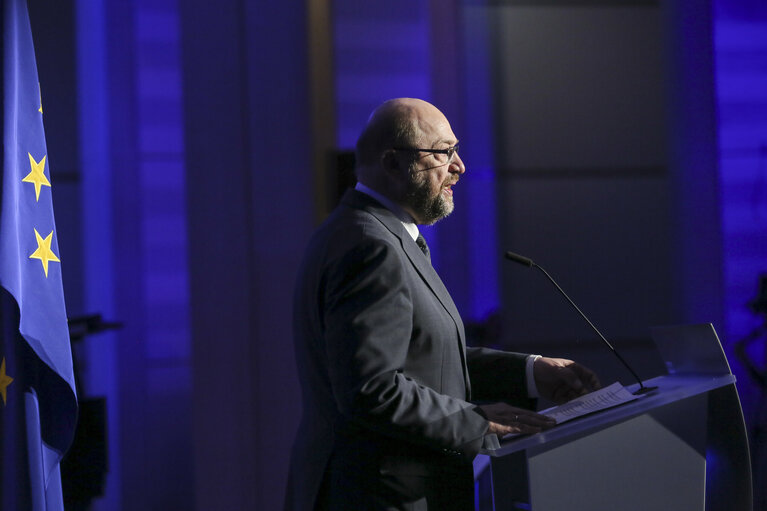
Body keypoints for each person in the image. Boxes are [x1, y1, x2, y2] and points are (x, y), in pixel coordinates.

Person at [285, 98, 600, 511]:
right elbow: (372, 390)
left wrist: (528, 372)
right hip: (379, 496)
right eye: (443, 152)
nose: (459, 166)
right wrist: (478, 421)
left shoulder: (374, 233)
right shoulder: (370, 246)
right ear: (393, 163)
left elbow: (424, 360)